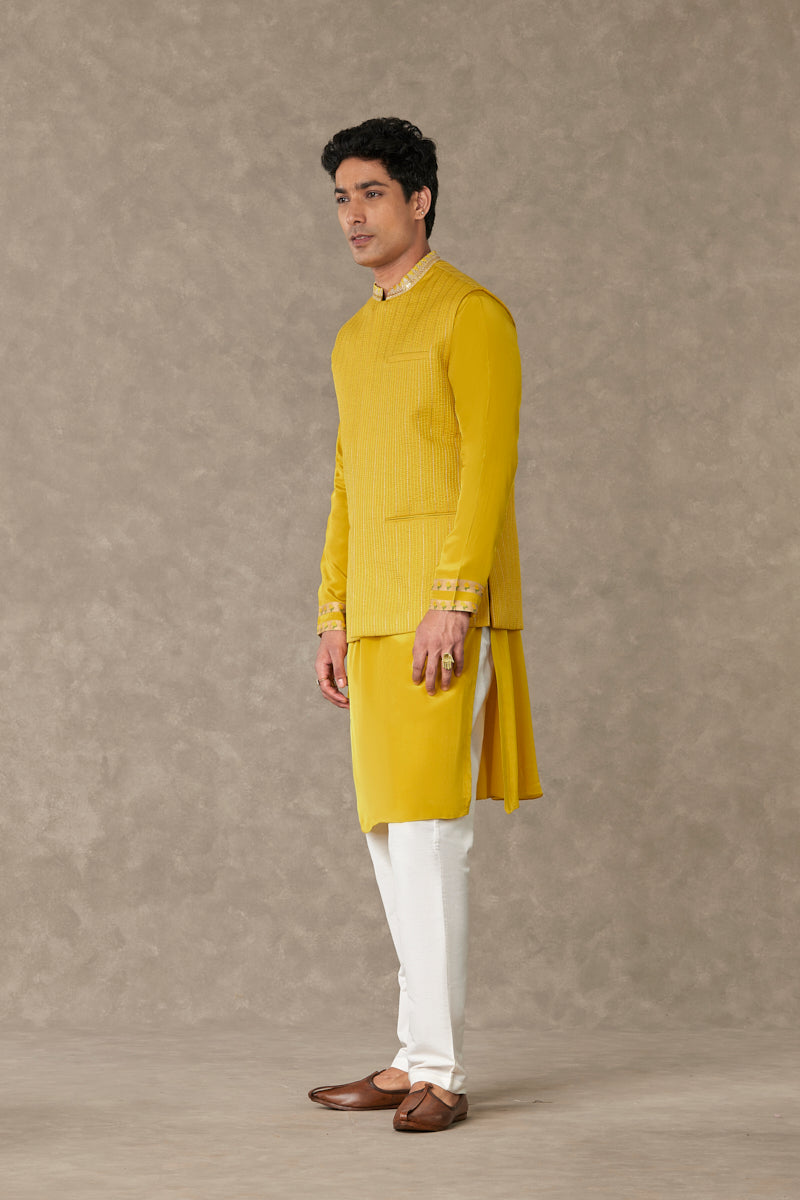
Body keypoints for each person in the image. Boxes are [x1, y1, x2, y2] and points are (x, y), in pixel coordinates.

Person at [308, 117, 543, 1133]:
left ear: (420, 199)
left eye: (371, 193)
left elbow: (487, 465)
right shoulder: (354, 336)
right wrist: (330, 613)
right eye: (341, 199)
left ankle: (441, 1070)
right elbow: (347, 482)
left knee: (431, 836)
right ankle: (410, 1058)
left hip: (440, 613)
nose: (354, 216)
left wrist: (453, 600)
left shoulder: (471, 314)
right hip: (371, 615)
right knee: (387, 839)